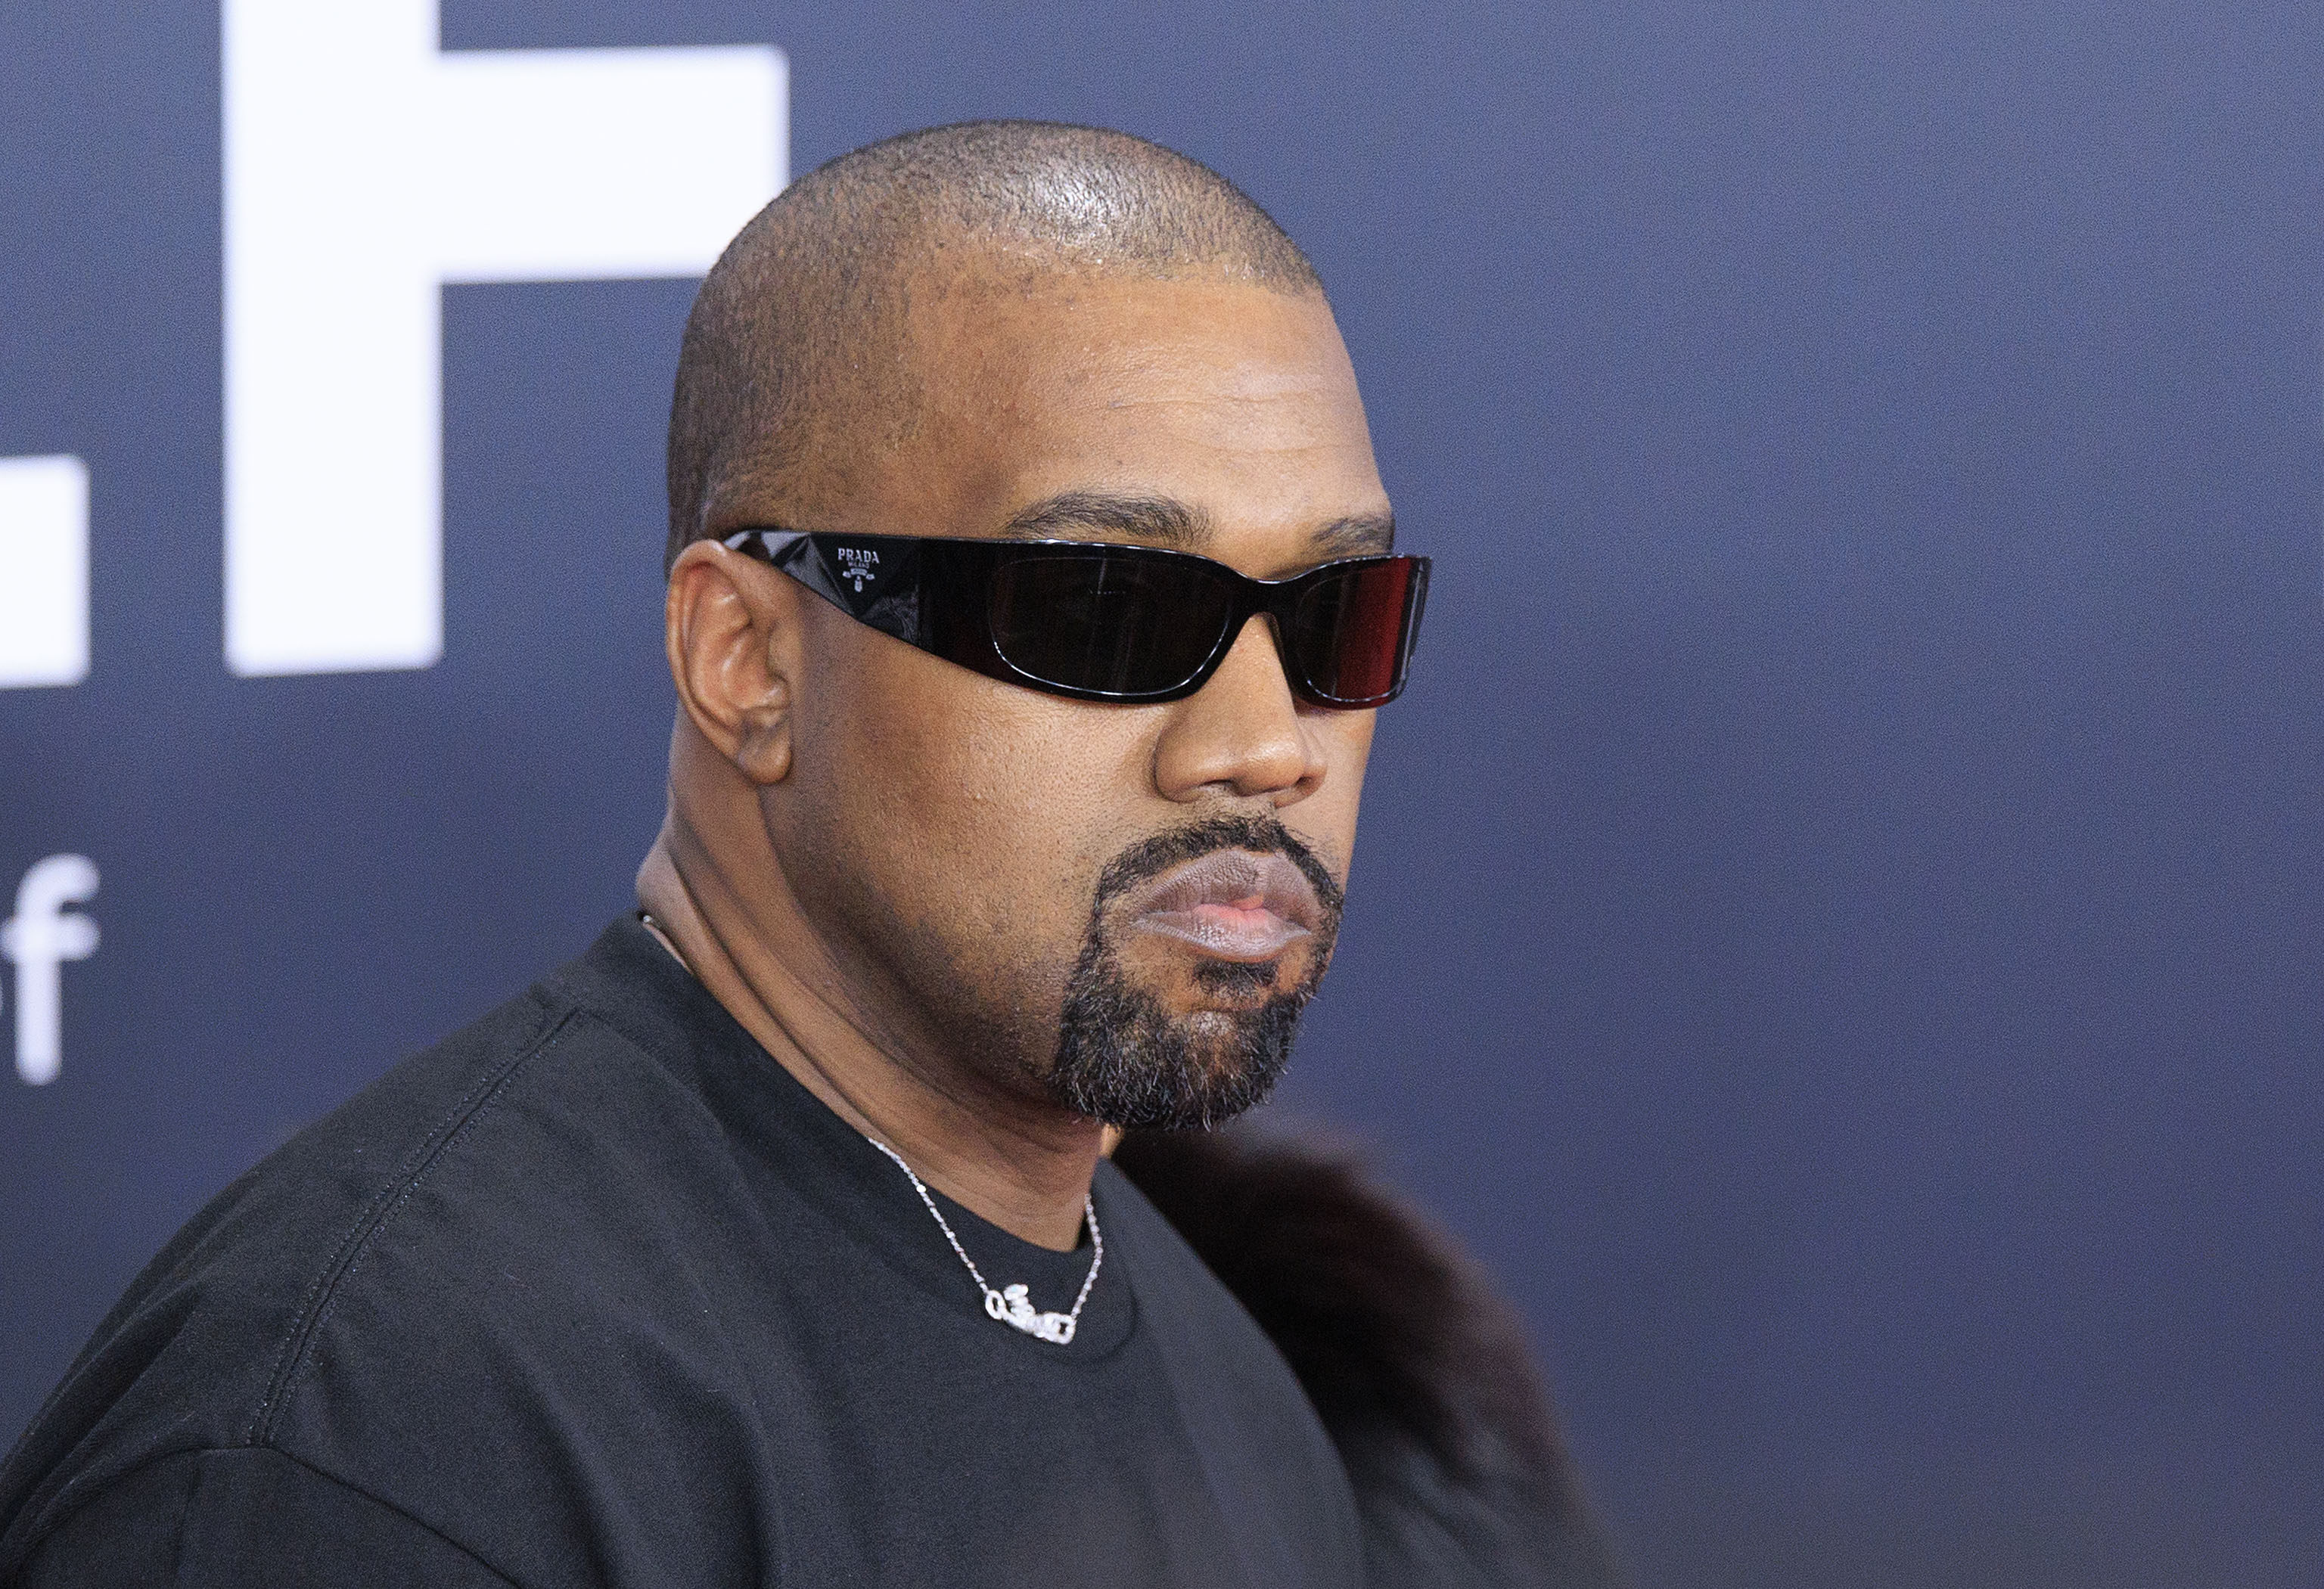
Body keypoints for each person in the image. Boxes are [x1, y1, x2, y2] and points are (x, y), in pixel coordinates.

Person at [0, 122, 1614, 1587]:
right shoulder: (374, 1444)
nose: (1268, 742)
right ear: (747, 662)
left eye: (1342, 616)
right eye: (1106, 609)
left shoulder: (1244, 1403)